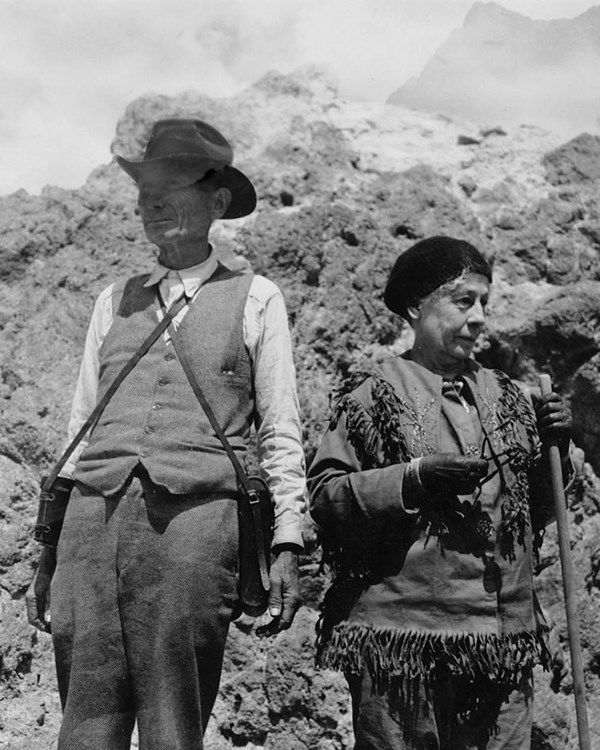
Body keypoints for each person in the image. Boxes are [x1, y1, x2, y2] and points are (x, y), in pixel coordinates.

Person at [25, 118, 306, 750]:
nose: (153, 203)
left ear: (217, 201)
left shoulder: (258, 298)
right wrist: (51, 548)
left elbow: (282, 432)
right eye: (146, 188)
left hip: (196, 532)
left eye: (172, 186)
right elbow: (83, 425)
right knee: (85, 725)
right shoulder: (113, 301)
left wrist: (287, 541)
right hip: (90, 528)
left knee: (171, 726)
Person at [308, 236, 573, 750]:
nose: (478, 319)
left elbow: (532, 513)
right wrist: (414, 477)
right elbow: (326, 496)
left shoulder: (511, 396)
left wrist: (553, 450)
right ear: (415, 307)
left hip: (502, 642)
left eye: (484, 303)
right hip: (403, 645)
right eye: (462, 300)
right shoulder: (372, 392)